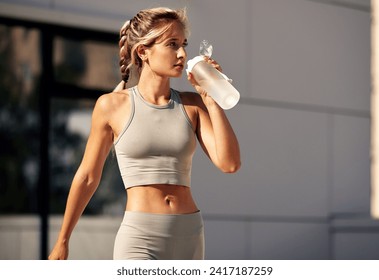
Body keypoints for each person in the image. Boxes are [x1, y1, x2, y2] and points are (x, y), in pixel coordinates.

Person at [48, 7, 240, 260]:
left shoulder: (193, 104)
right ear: (143, 51)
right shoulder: (111, 105)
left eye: (184, 44)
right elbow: (87, 177)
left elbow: (230, 164)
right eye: (172, 44)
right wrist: (62, 241)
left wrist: (211, 96)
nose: (182, 53)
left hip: (190, 234)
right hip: (140, 237)